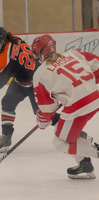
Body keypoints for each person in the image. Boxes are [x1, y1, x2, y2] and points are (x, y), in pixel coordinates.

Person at [32, 34, 99, 179]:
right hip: (95, 97)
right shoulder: (73, 54)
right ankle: (84, 163)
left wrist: (42, 119)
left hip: (79, 106)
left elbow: (48, 109)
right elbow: (96, 65)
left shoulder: (40, 73)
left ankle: (93, 150)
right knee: (62, 129)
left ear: (39, 53)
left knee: (60, 142)